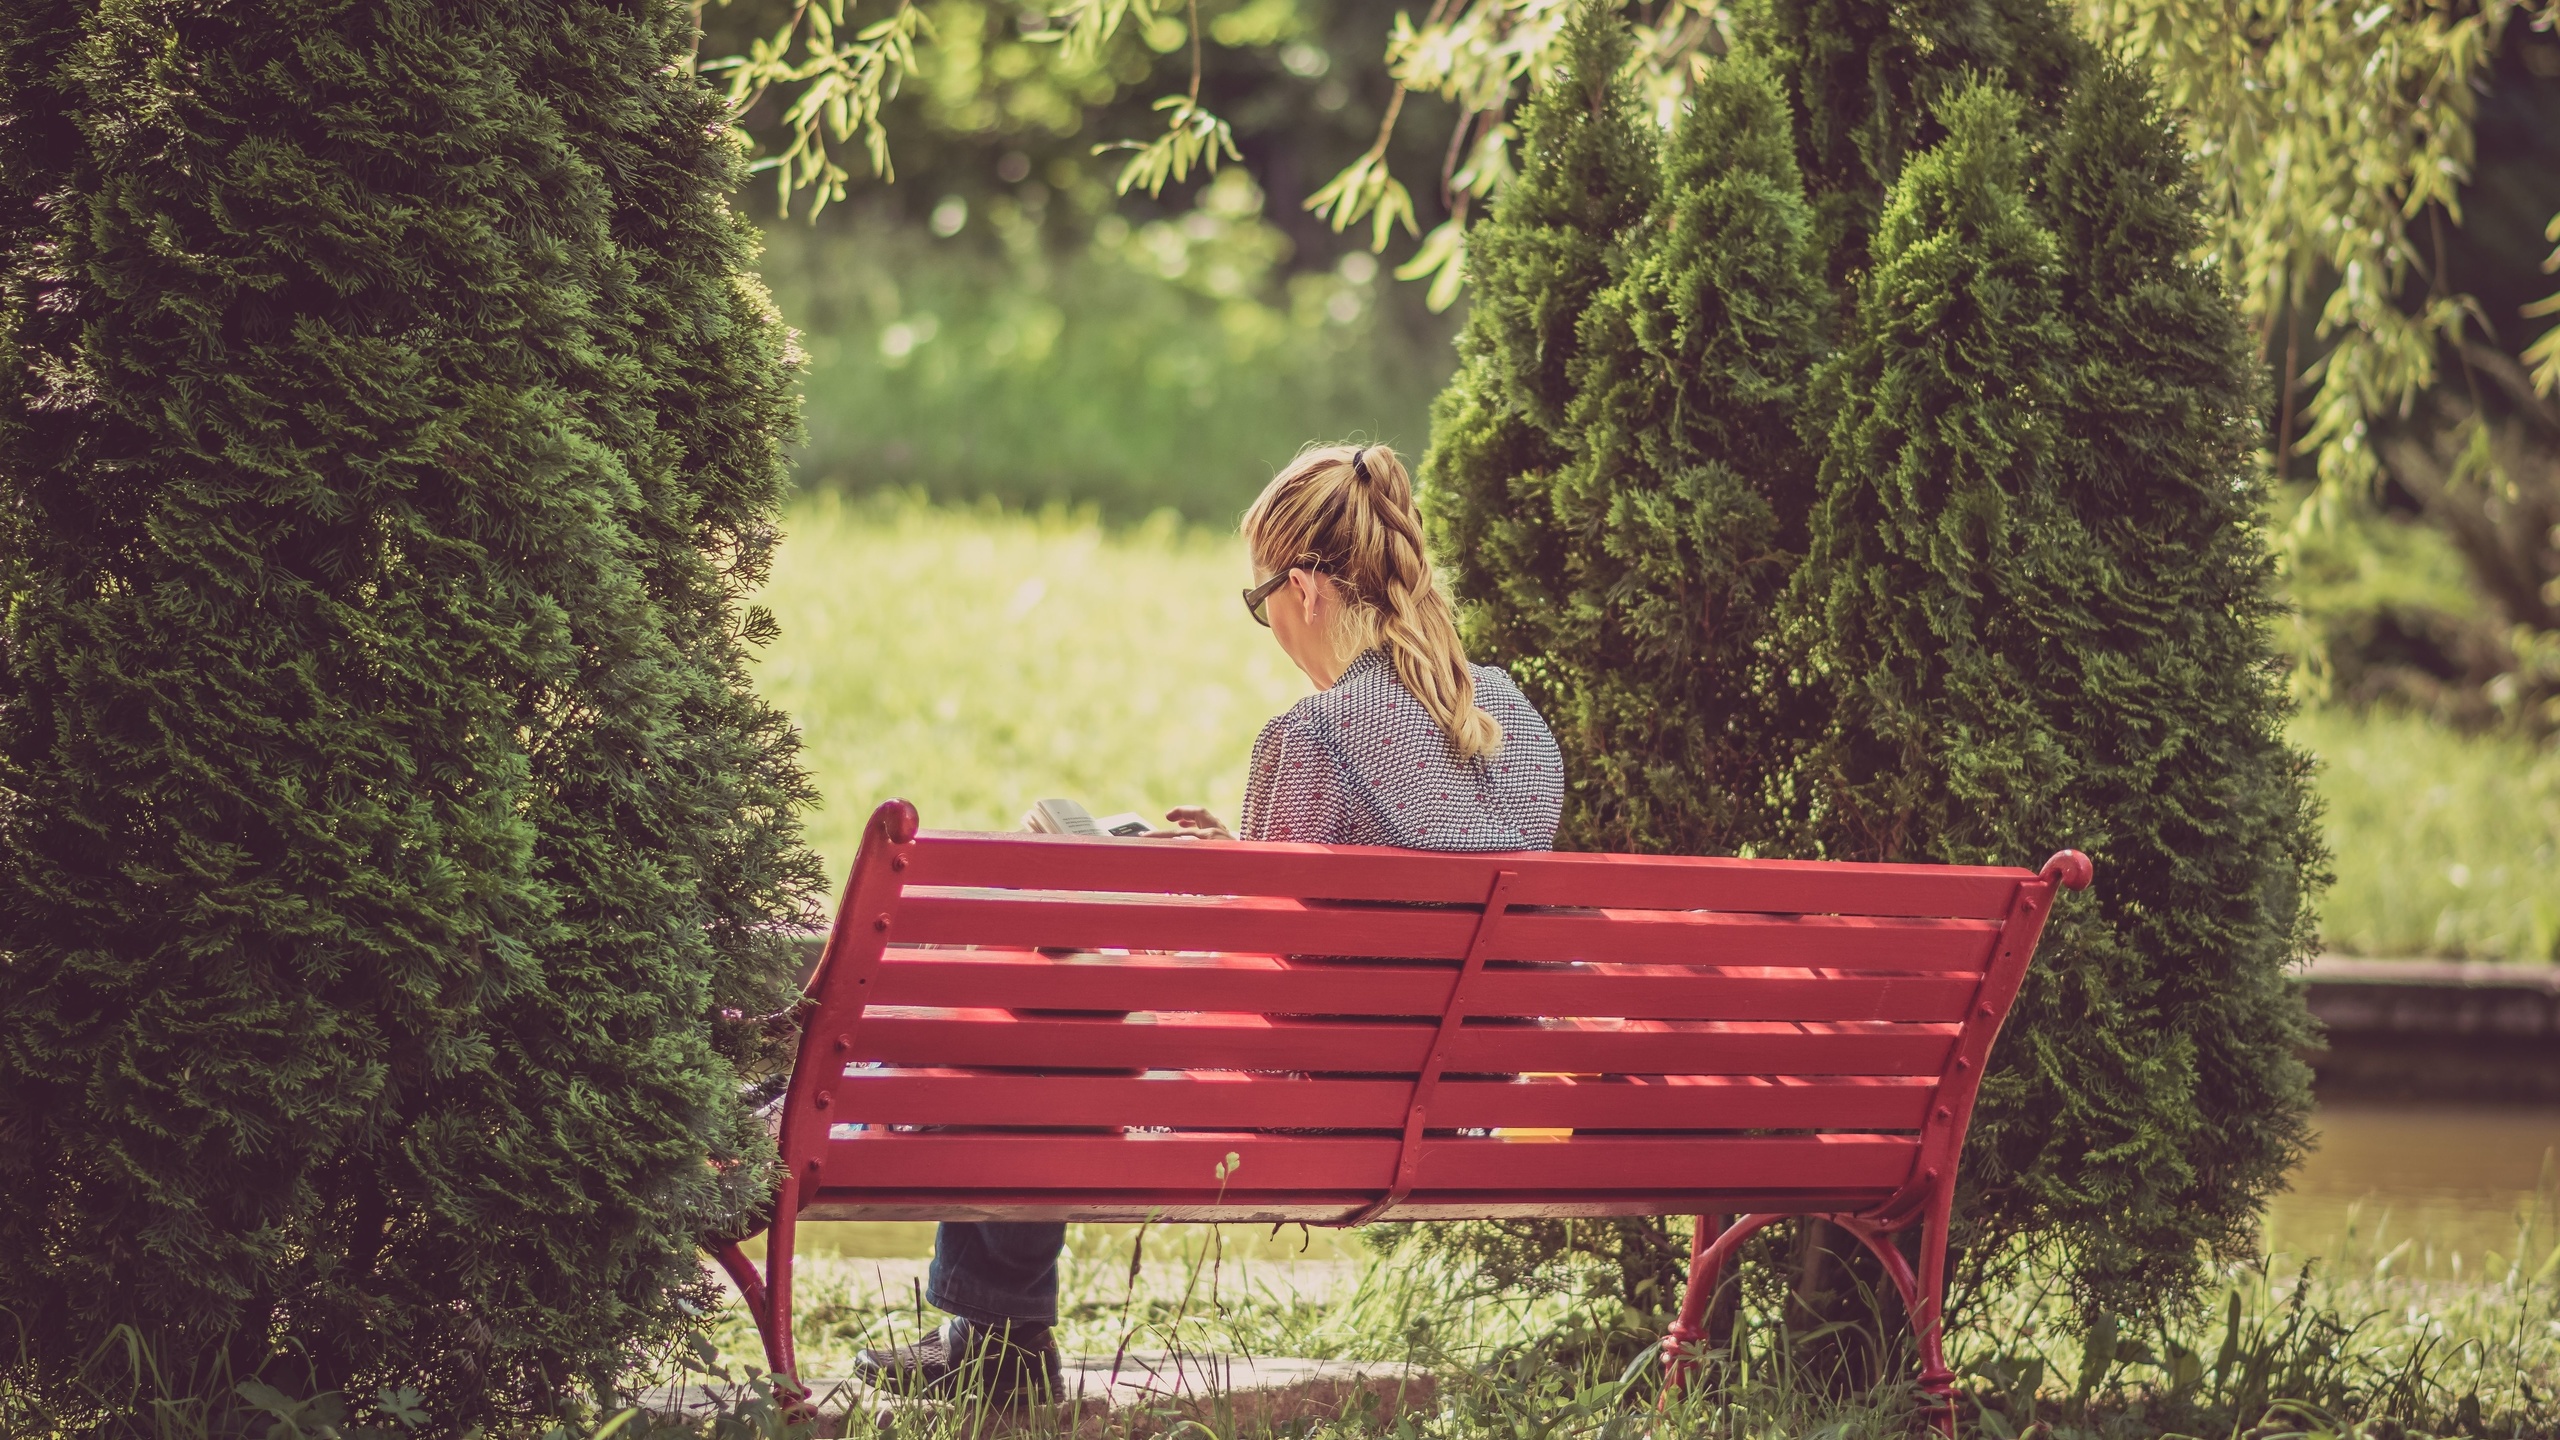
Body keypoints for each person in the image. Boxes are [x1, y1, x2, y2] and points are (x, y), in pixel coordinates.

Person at [852, 443, 1565, 1403]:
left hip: (1305, 1113)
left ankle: (992, 1337)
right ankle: (988, 1334)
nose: (1265, 620)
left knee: (1049, 992)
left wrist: (1171, 894)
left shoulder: (1314, 735)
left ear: (1306, 588)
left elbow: (1261, 972)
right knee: (1055, 986)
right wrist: (1239, 858)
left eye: (1258, 596)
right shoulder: (1515, 722)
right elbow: (1382, 905)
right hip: (1455, 1102)